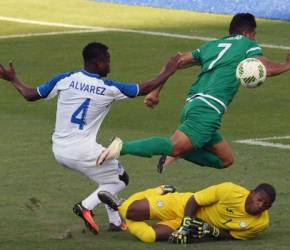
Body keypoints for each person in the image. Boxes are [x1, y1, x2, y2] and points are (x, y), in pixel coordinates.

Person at [0, 42, 178, 234]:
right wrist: (170, 70)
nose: (110, 66)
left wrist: (13, 79)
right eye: (108, 61)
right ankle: (85, 206)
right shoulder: (108, 88)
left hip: (59, 150)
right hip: (82, 151)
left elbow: (29, 94)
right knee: (119, 180)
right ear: (99, 63)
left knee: (109, 173)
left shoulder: (65, 79)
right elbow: (145, 88)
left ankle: (115, 222)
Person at [97, 13, 290, 173]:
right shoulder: (248, 44)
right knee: (174, 147)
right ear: (249, 33)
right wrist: (288, 64)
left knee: (225, 160)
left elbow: (175, 61)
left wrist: (156, 91)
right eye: (254, 36)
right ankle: (122, 147)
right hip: (208, 108)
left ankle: (182, 152)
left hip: (194, 104)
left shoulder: (211, 46)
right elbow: (264, 67)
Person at [98, 182, 276, 243]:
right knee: (132, 211)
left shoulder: (260, 224)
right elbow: (195, 200)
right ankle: (159, 191)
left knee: (148, 237)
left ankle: (120, 206)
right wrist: (186, 225)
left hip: (190, 226)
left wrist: (211, 232)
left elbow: (232, 236)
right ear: (251, 193)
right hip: (183, 206)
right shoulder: (229, 190)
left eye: (266, 205)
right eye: (259, 200)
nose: (261, 206)